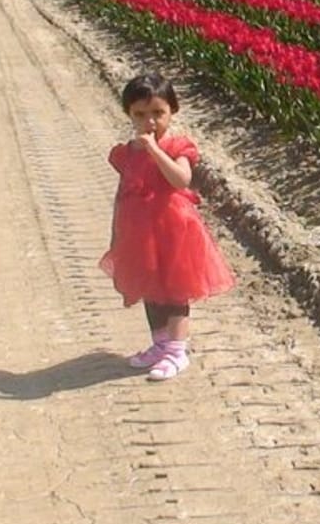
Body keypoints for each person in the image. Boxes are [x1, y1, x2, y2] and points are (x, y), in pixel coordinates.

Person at [100, 73, 235, 381]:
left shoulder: (177, 146)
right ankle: (159, 344)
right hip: (139, 230)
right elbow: (123, 192)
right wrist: (117, 232)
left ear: (172, 111)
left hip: (174, 228)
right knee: (149, 288)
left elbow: (181, 180)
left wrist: (155, 151)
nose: (150, 121)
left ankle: (177, 350)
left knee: (175, 288)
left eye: (158, 113)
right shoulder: (127, 152)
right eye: (140, 114)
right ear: (129, 114)